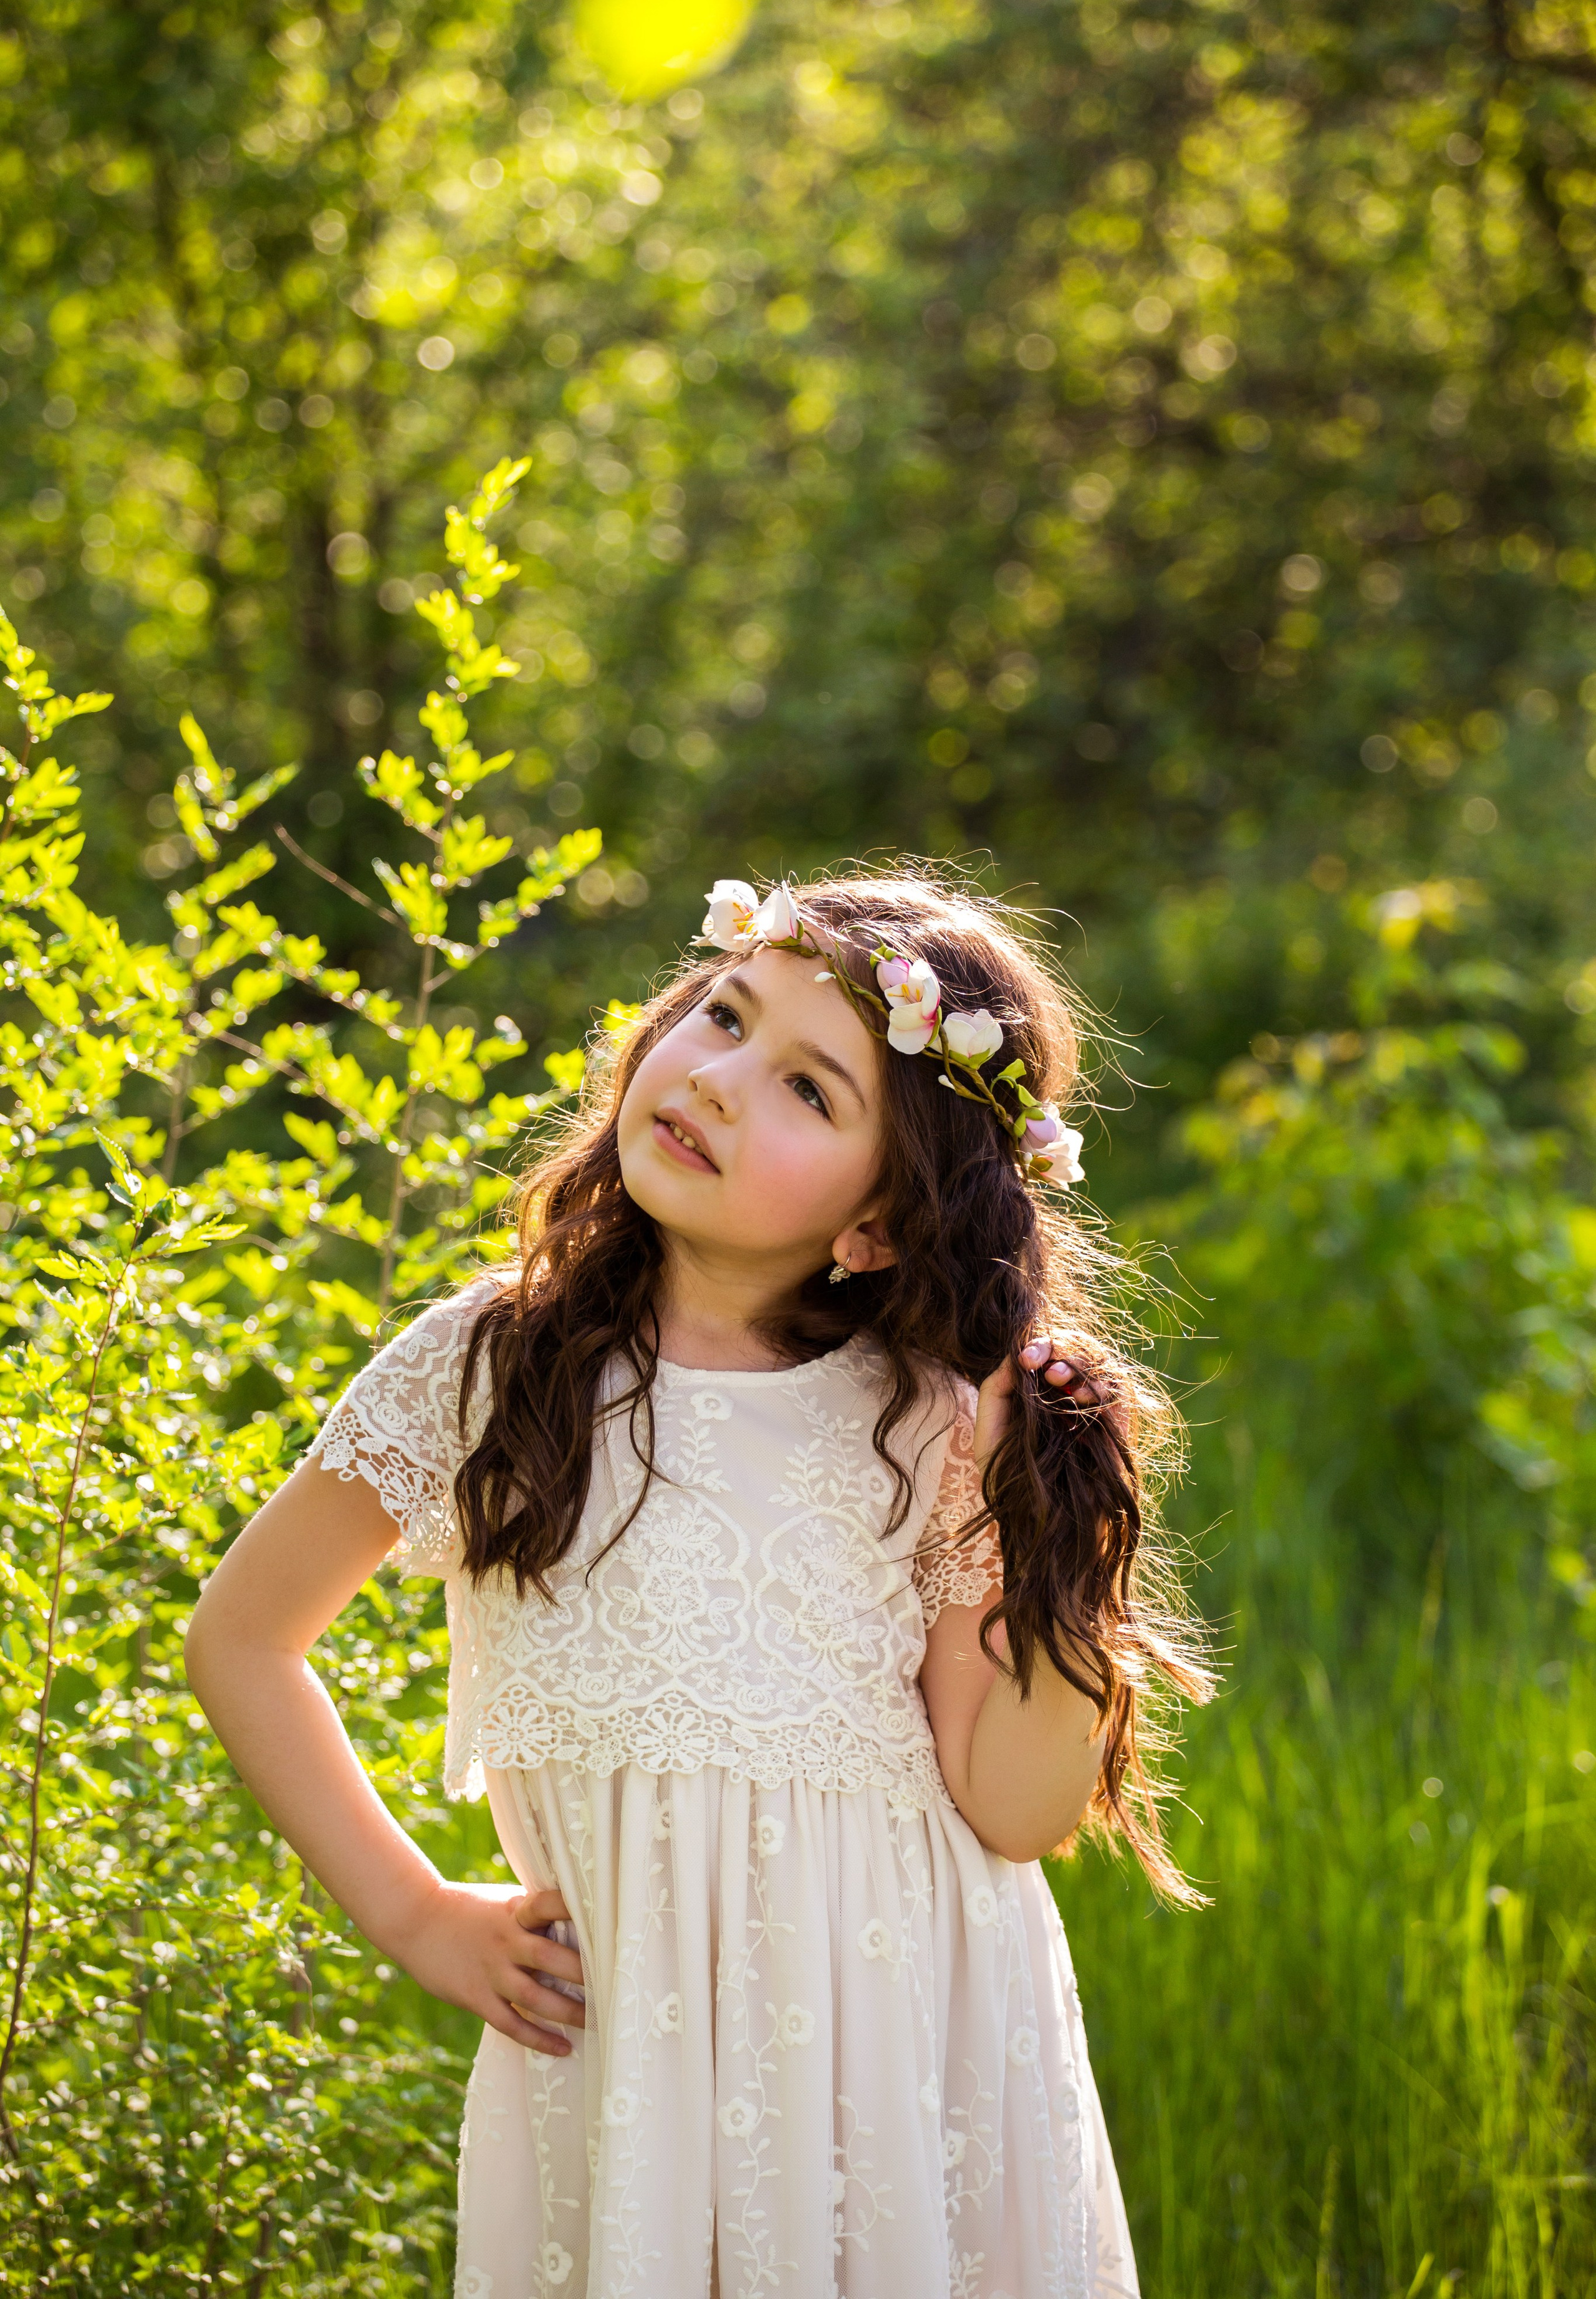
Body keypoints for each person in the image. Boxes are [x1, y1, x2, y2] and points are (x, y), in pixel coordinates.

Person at [186, 867, 1213, 2298]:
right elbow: (241, 1639)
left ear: (879, 1224)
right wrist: (417, 1915)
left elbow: (1016, 1812)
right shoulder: (488, 1364)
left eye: (808, 1090)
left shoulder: (931, 1416)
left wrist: (1062, 1549)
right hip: (630, 2056)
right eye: (724, 1016)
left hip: (908, 2044)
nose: (722, 1080)